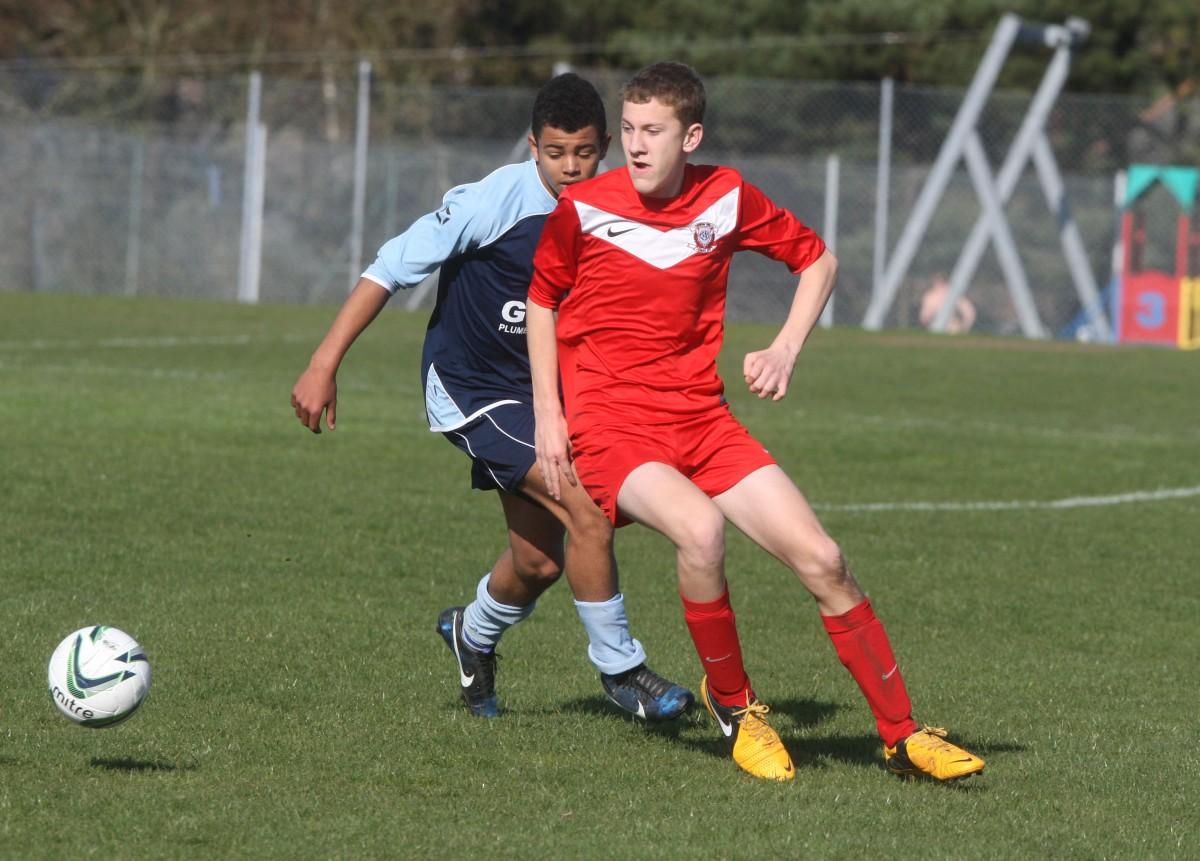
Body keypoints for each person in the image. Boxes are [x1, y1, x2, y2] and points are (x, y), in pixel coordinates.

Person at [526, 62, 985, 782]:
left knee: (824, 558)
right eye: (630, 131)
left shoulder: (726, 195)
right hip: (612, 423)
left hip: (700, 418)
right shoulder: (584, 208)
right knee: (701, 531)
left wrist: (785, 346)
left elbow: (818, 261)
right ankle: (739, 710)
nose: (636, 146)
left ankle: (902, 734)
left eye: (654, 131)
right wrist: (550, 416)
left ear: (692, 135)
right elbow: (543, 301)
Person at [291, 73, 693, 722]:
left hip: (546, 393)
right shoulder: (492, 202)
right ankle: (622, 671)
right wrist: (323, 362)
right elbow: (390, 267)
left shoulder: (616, 209)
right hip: (473, 389)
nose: (570, 167)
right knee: (587, 508)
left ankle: (470, 635)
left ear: (607, 146)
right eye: (556, 152)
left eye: (585, 152)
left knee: (537, 563)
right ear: (533, 147)